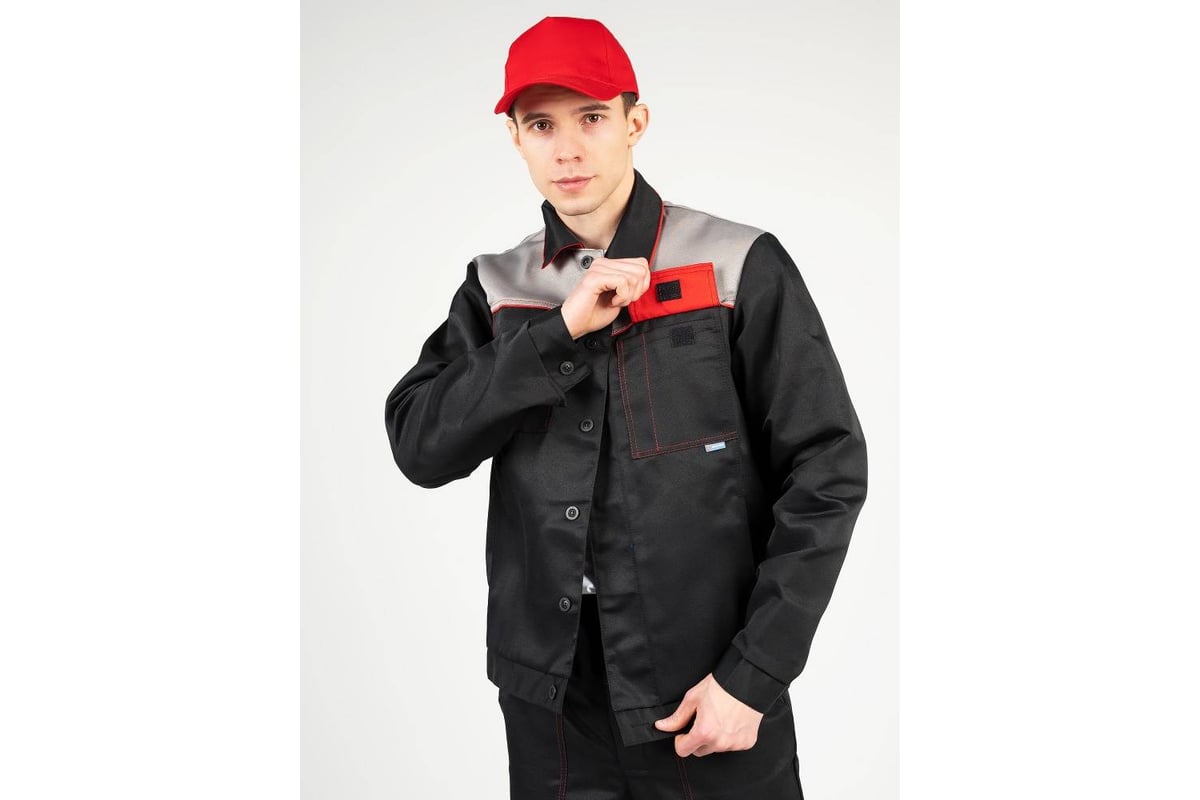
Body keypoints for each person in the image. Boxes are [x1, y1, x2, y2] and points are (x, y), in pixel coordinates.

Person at [384, 15, 868, 799]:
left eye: (591, 118)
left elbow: (828, 472)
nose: (567, 150)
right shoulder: (498, 288)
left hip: (706, 694)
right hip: (552, 709)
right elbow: (421, 446)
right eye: (542, 125)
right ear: (515, 139)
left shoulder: (738, 264)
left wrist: (755, 674)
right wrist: (558, 332)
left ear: (635, 123)